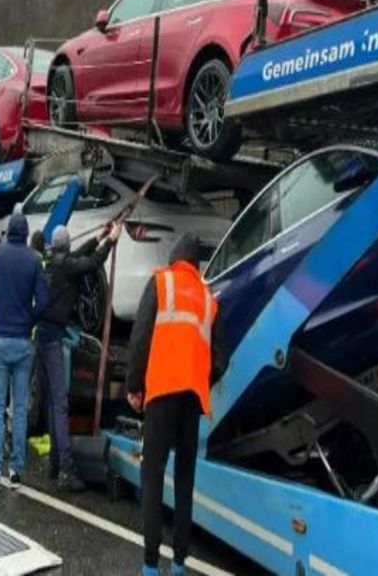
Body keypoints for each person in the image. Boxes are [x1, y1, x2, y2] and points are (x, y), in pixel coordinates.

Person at [126, 233, 219, 576]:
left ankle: (151, 565)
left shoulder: (161, 283)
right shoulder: (208, 299)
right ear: (196, 266)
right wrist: (199, 378)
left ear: (174, 259)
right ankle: (180, 563)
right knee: (184, 481)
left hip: (162, 392)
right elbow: (219, 359)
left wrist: (134, 386)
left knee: (152, 478)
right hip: (192, 400)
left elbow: (140, 336)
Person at [38, 223, 120, 491]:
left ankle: (53, 465)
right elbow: (92, 262)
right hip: (52, 340)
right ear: (67, 245)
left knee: (52, 402)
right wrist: (111, 241)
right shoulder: (66, 267)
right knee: (61, 404)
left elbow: (79, 255)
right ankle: (65, 470)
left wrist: (98, 236)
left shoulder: (52, 262)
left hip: (41, 337)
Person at [0, 211, 47, 491]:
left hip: (1, 339)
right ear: (27, 233)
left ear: (9, 233)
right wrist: (29, 318)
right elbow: (43, 300)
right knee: (19, 408)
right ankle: (16, 470)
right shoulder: (34, 260)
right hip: (23, 343)